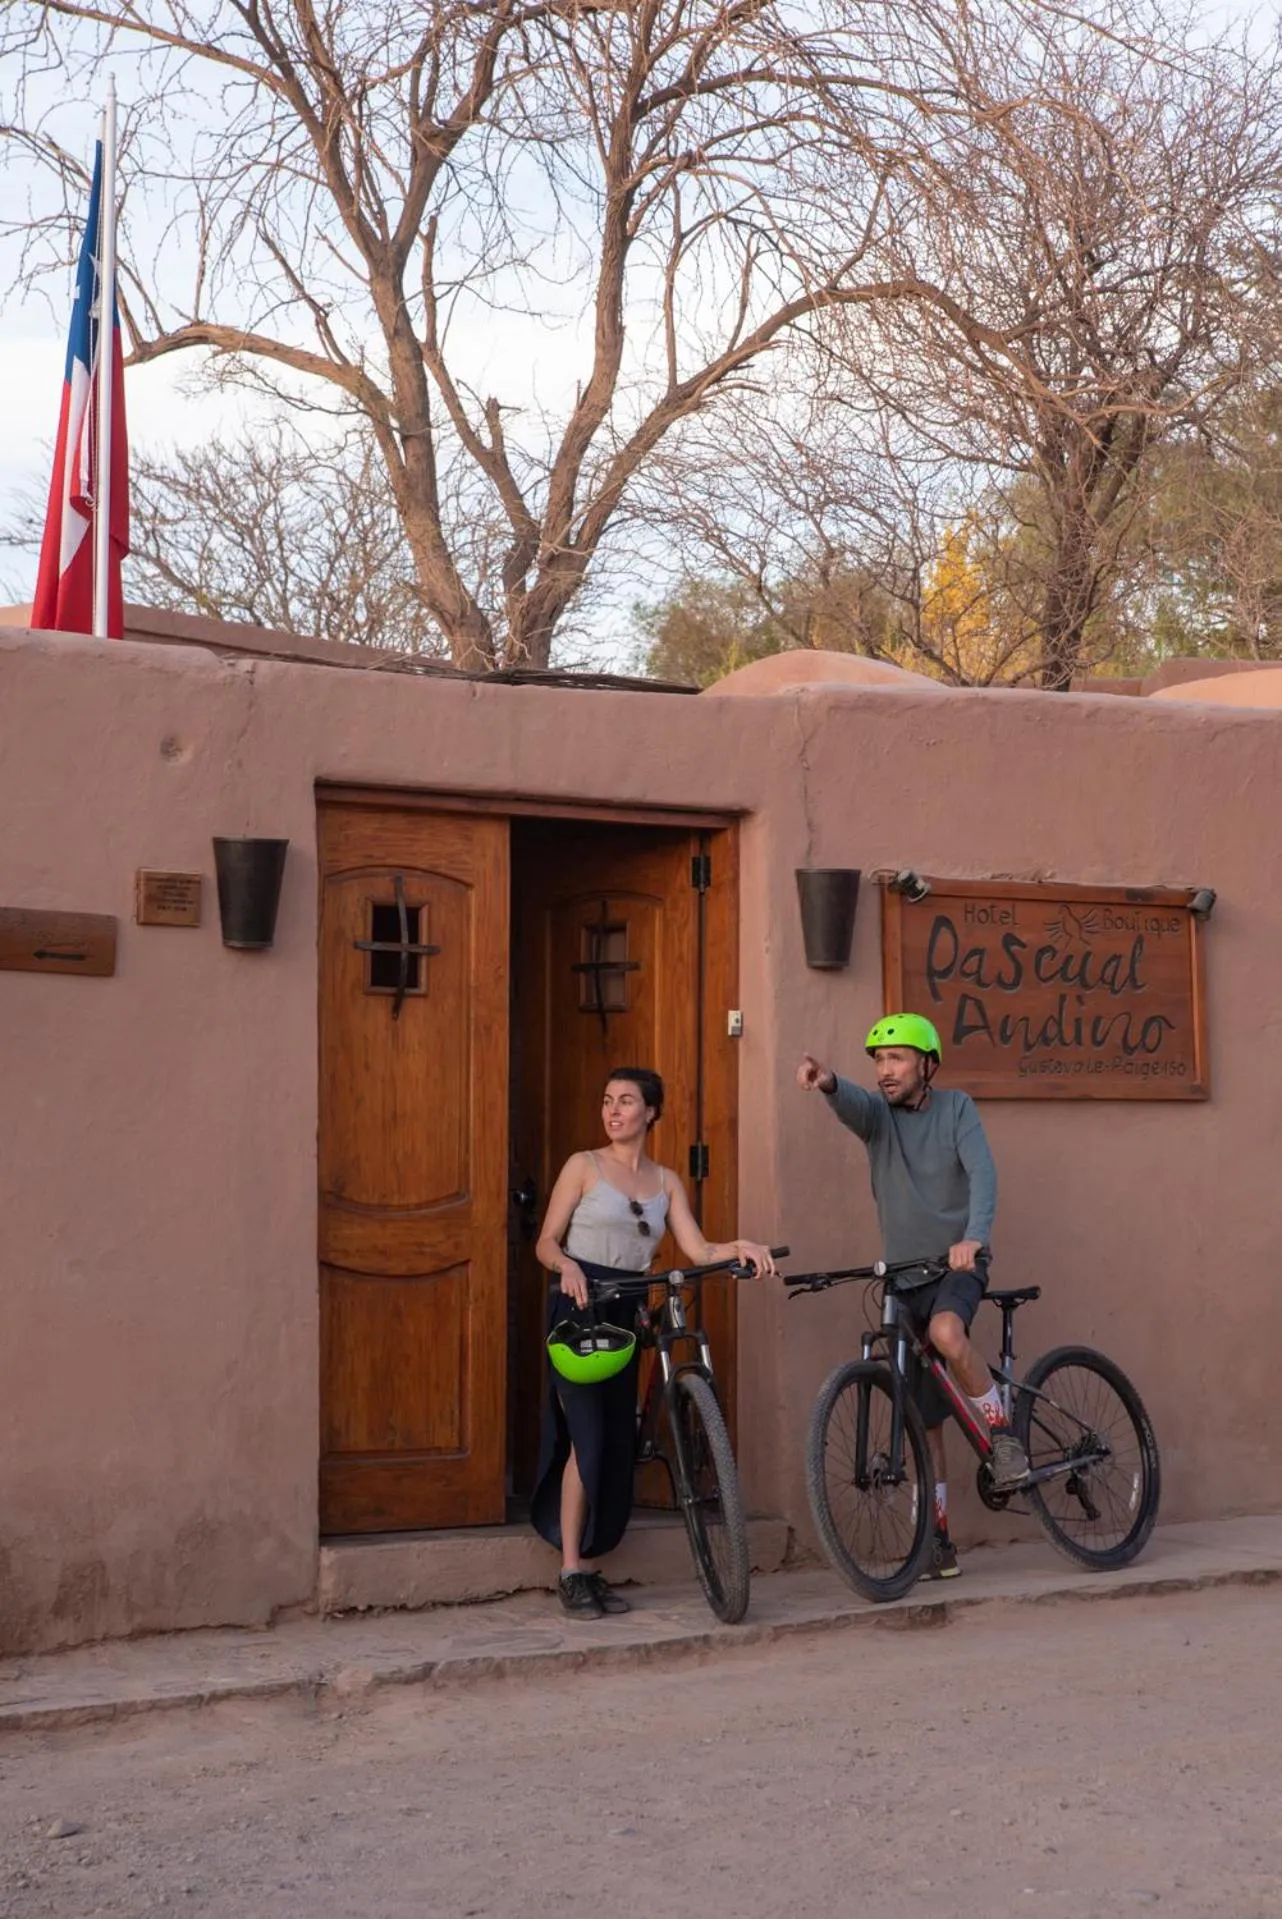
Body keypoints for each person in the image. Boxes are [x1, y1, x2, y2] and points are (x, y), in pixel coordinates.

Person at [533, 1066, 776, 1620]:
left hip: (627, 1314)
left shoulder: (667, 1181)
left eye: (625, 1102)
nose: (613, 1111)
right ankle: (571, 1569)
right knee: (585, 1436)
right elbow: (546, 1241)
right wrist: (566, 1265)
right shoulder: (583, 1166)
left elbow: (696, 1248)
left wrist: (738, 1245)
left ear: (651, 1113)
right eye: (607, 1100)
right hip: (579, 1309)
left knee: (618, 1438)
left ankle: (590, 1563)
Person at [797, 1014, 1028, 1581]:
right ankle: (938, 1541)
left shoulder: (956, 1110)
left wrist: (973, 1238)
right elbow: (850, 1101)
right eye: (878, 1060)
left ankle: (1004, 1436)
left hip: (956, 1266)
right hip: (904, 1279)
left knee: (949, 1335)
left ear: (927, 1064)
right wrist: (827, 1080)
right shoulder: (878, 1118)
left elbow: (984, 1175)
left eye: (896, 1058)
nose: (885, 1070)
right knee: (925, 1423)